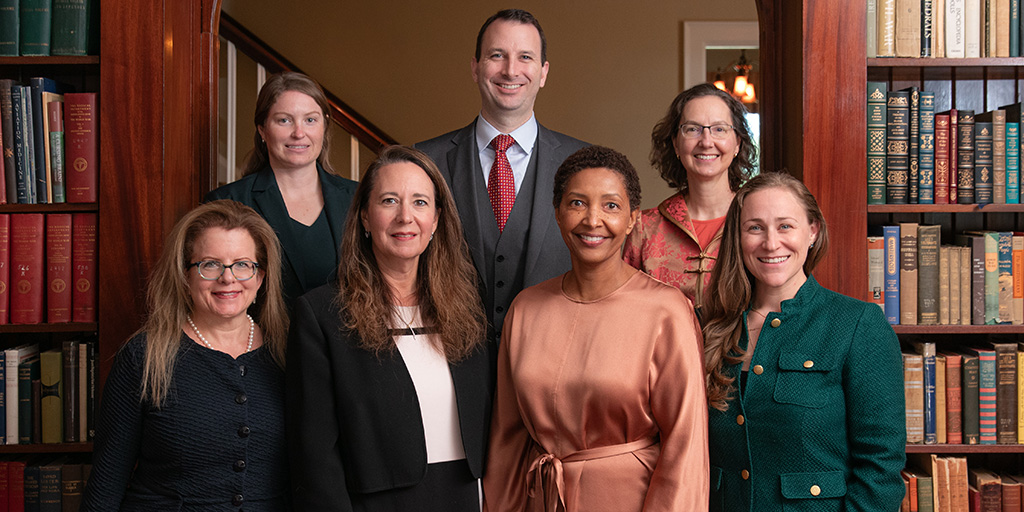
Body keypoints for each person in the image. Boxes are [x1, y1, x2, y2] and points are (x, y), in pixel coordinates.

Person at [484, 146, 708, 512]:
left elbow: (686, 446)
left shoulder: (666, 311)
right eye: (576, 203)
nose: (592, 220)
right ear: (557, 214)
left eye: (611, 205)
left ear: (634, 219)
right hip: (540, 501)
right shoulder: (525, 308)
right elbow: (507, 438)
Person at [287, 145, 492, 511]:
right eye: (388, 201)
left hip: (464, 497)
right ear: (365, 217)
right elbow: (314, 457)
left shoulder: (468, 308)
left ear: (437, 219)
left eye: (419, 202)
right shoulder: (321, 314)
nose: (405, 217)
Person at [701, 172, 905, 511]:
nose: (770, 243)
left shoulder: (856, 324)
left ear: (812, 231)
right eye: (754, 227)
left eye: (785, 226)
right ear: (737, 238)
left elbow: (880, 470)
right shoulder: (706, 325)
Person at [82, 200, 290, 511]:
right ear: (185, 274)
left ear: (261, 277)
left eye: (243, 264)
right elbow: (107, 481)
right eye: (210, 264)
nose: (228, 278)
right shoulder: (144, 357)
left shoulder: (289, 353)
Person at [416, 9, 588, 338]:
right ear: (475, 67)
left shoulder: (583, 164)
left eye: (525, 57)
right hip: (449, 361)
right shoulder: (426, 160)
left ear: (543, 72)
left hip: (555, 362)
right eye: (497, 55)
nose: (511, 71)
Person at [207, 71, 357, 304]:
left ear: (324, 126)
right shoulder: (227, 201)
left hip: (341, 339)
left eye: (310, 119)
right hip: (263, 338)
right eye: (284, 120)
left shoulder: (358, 198)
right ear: (262, 129)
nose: (299, 133)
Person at [624, 83, 757, 312]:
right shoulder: (643, 229)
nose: (706, 142)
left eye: (719, 129)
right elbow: (626, 309)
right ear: (676, 143)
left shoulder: (758, 223)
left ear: (737, 143)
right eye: (692, 129)